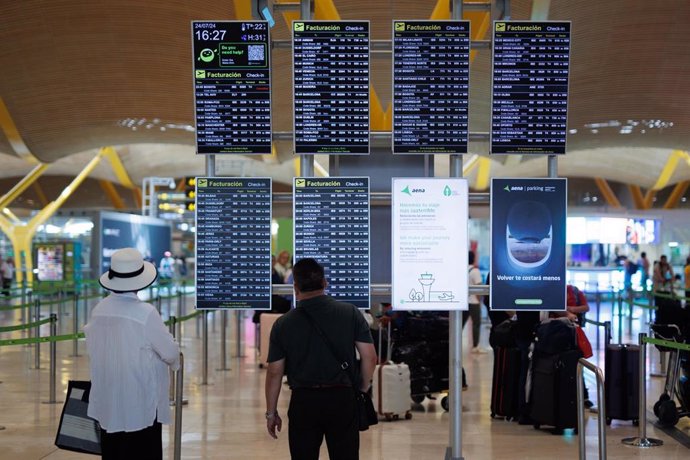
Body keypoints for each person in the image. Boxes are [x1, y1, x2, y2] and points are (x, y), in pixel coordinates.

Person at [264, 258, 376, 460]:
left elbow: (274, 372)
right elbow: (370, 357)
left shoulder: (283, 324)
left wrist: (271, 413)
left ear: (295, 287)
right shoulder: (350, 313)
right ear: (325, 283)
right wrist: (361, 389)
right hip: (342, 398)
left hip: (304, 401)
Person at [84, 248, 179, 460]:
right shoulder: (145, 313)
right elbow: (170, 353)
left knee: (113, 451)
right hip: (140, 401)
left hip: (108, 399)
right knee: (143, 450)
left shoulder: (99, 309)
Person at [463, 250, 486, 353]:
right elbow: (479, 288)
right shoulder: (475, 271)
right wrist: (479, 300)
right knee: (476, 324)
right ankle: (475, 346)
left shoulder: (462, 269)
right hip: (474, 302)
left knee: (460, 324)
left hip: (464, 302)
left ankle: (451, 343)